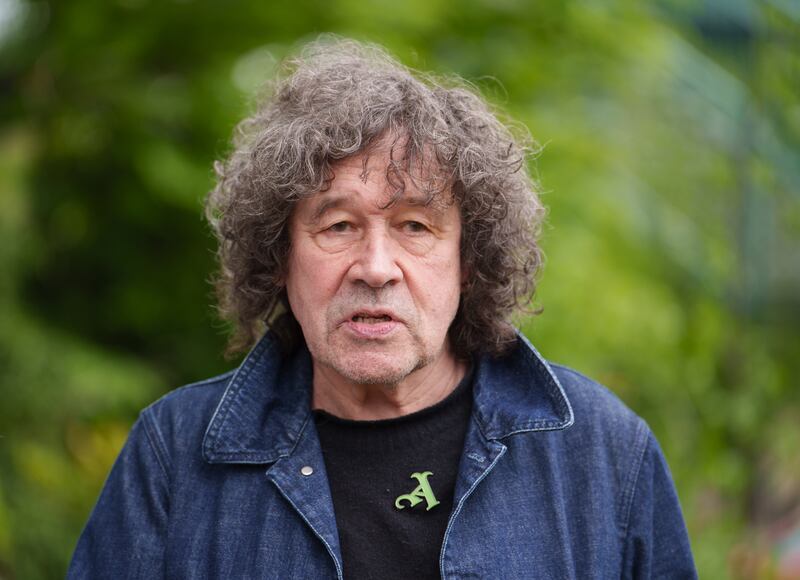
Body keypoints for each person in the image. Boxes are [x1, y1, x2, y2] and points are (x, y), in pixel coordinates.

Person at [68, 37, 697, 579]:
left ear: (468, 262)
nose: (375, 266)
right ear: (281, 258)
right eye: (338, 226)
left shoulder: (603, 454)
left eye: (415, 226)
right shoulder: (173, 456)